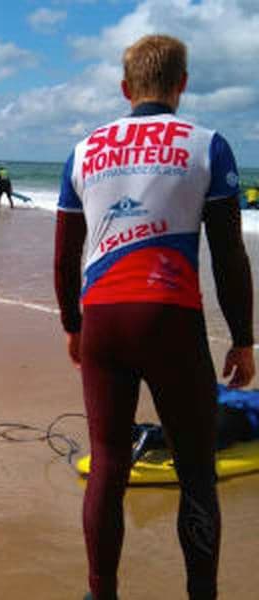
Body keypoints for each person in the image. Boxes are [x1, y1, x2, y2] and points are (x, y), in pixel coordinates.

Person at [53, 35, 254, 600]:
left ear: (125, 88)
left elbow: (65, 256)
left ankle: (101, 593)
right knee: (195, 470)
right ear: (182, 84)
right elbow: (229, 255)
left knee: (108, 465)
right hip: (171, 322)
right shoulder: (207, 146)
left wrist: (72, 324)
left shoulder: (84, 151)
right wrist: (243, 338)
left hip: (103, 321)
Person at [132, 383, 259, 462]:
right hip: (235, 414)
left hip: (206, 398)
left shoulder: (246, 393)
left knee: (190, 429)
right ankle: (153, 438)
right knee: (206, 443)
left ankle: (136, 432)